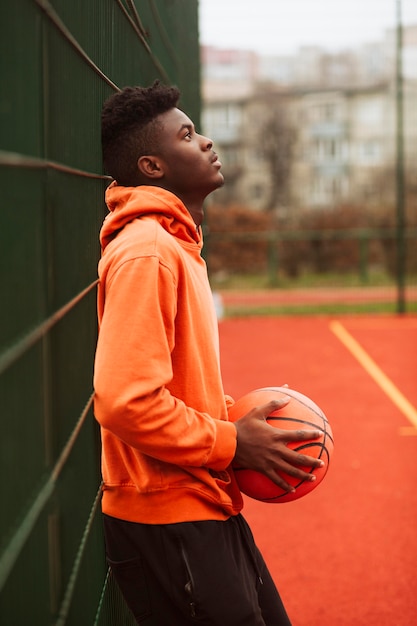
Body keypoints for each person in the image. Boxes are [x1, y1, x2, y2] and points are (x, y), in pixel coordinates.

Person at [93, 81, 324, 626]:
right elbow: (124, 401)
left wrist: (234, 417)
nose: (207, 142)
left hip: (199, 499)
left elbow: (171, 384)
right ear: (152, 165)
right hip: (168, 516)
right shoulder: (148, 251)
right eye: (188, 135)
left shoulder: (175, 246)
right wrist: (232, 440)